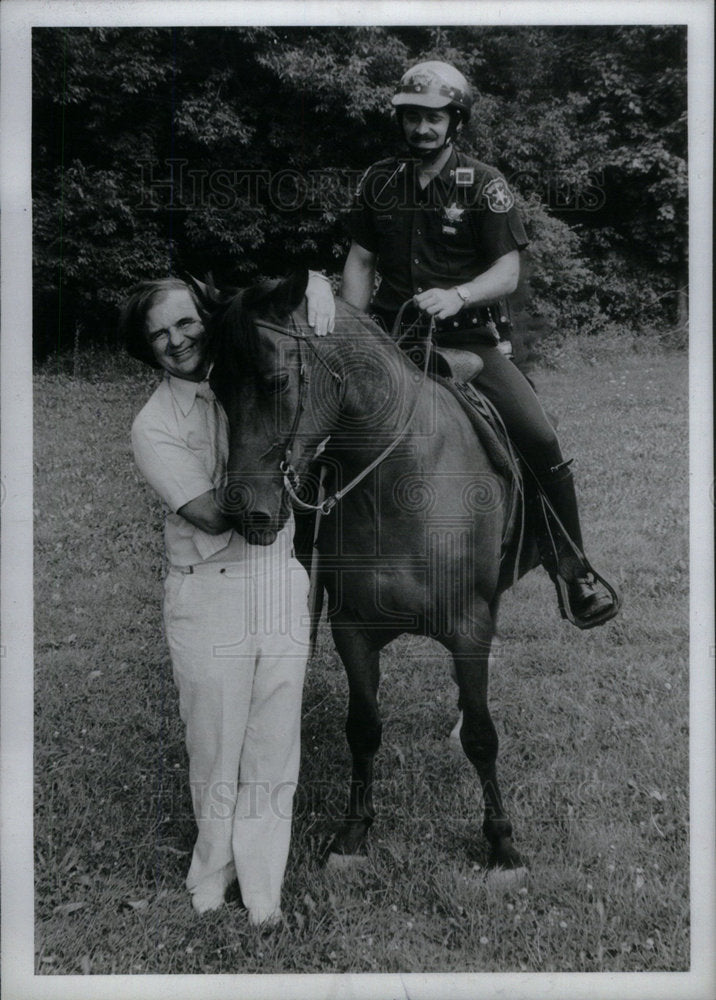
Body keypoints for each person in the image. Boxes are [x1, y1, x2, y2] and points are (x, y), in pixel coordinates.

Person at [341, 60, 617, 629]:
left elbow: (508, 270)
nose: (421, 128)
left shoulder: (484, 182)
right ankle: (312, 561)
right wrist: (351, 329)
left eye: (433, 117)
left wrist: (459, 294)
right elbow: (361, 261)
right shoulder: (378, 181)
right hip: (391, 340)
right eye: (411, 117)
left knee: (539, 436)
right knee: (320, 425)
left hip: (468, 343)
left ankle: (575, 570)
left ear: (455, 121)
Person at [120, 271, 334, 926]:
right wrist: (277, 460)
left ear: (209, 319)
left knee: (274, 743)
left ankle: (263, 889)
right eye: (159, 334)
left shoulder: (253, 376)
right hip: (209, 593)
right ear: (146, 348)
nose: (176, 340)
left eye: (185, 322)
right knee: (215, 747)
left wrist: (319, 285)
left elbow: (287, 296)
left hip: (276, 580)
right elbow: (218, 515)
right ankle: (211, 878)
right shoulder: (154, 425)